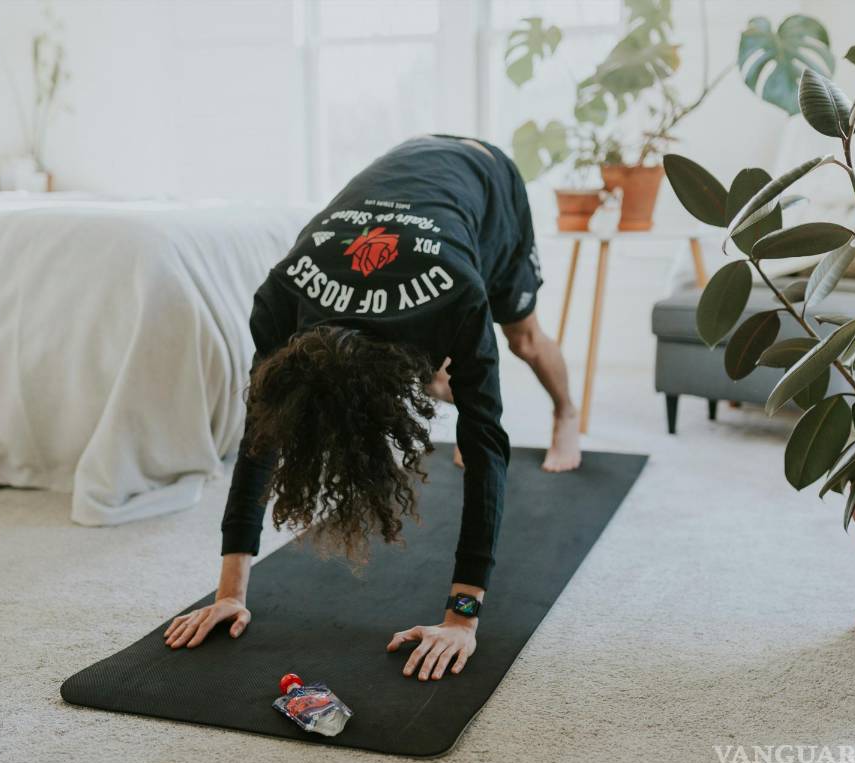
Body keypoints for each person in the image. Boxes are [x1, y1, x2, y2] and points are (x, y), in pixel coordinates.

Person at [163, 135, 581, 681]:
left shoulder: (458, 294)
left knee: (523, 338)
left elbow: (486, 445)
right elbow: (259, 436)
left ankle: (566, 412)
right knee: (440, 371)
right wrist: (230, 593)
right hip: (406, 183)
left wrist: (463, 618)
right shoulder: (283, 294)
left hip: (484, 177)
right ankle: (440, 377)